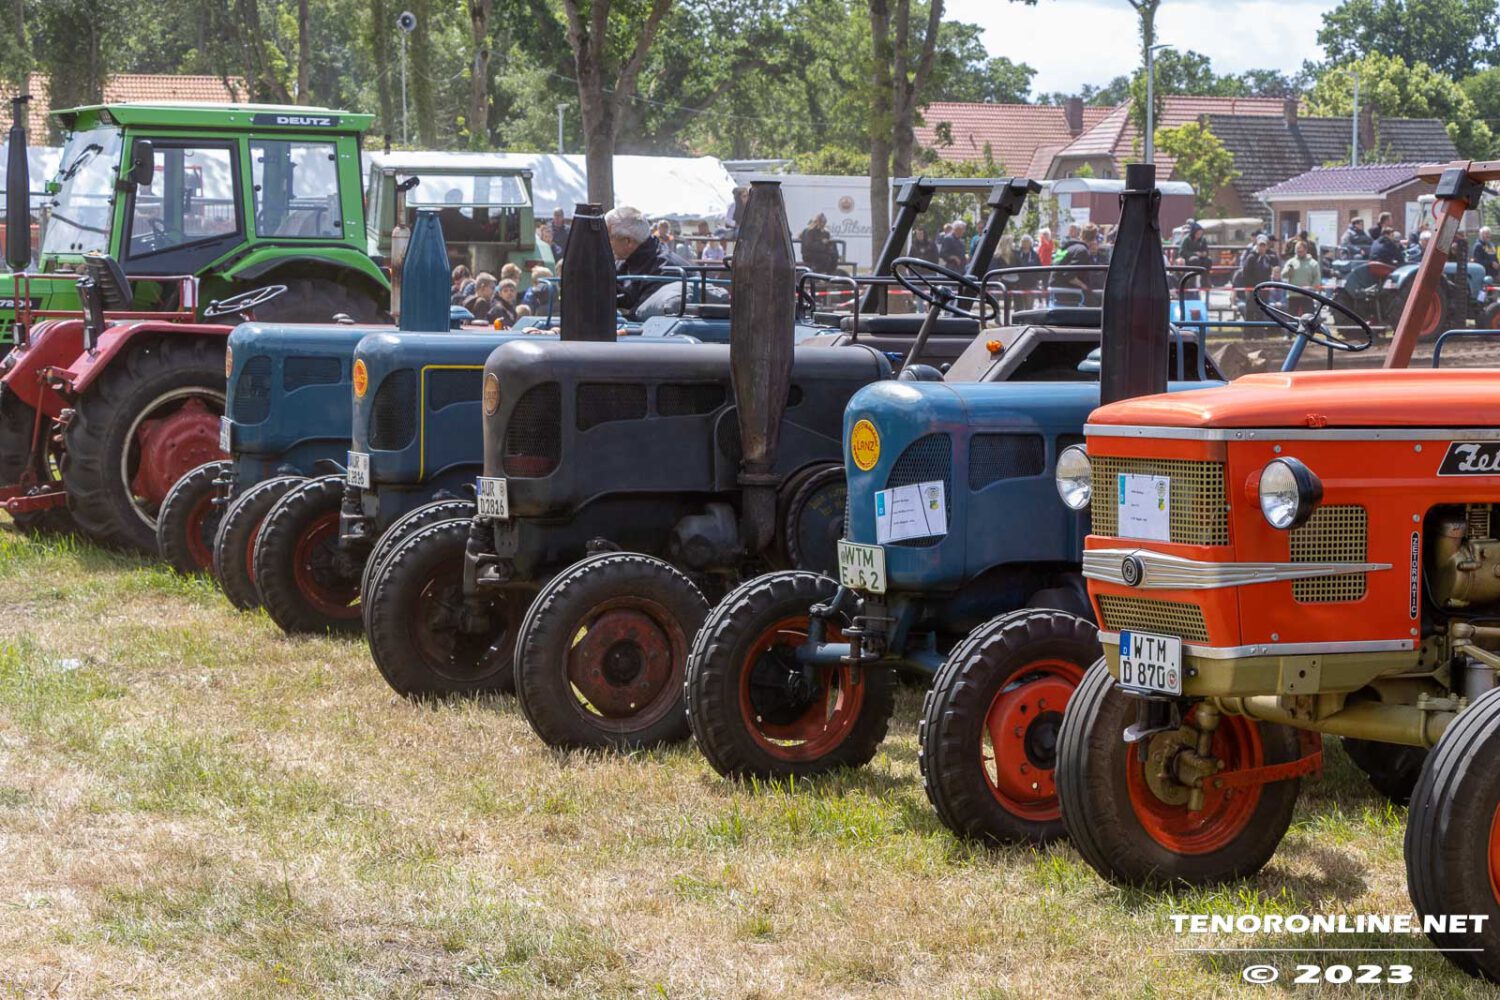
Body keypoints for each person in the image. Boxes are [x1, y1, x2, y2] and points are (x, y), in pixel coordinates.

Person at [606, 204, 690, 316]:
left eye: (609, 238)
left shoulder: (665, 270)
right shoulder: (625, 260)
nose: (606, 244)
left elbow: (639, 316)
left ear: (628, 241)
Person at [1049, 223, 1105, 305]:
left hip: (1055, 293)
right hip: (1068, 295)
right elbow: (1069, 276)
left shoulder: (1068, 248)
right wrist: (1085, 287)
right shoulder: (1082, 251)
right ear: (1094, 238)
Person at [1239, 236, 1280, 320]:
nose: (1262, 247)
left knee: (1261, 311)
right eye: (1260, 245)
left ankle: (1260, 331)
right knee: (1250, 311)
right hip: (1252, 289)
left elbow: (1276, 265)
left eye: (1263, 245)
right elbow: (1245, 274)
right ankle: (1248, 331)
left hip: (1264, 290)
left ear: (1266, 247)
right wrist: (1248, 288)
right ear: (1257, 246)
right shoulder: (1251, 258)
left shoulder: (1268, 258)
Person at [1280, 239, 1322, 316]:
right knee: (1291, 320)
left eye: (1300, 251)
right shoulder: (1291, 262)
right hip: (1293, 296)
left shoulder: (1313, 263)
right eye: (1297, 251)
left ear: (1306, 250)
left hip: (1307, 296)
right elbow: (1283, 275)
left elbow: (1317, 280)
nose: (1298, 253)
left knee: (1309, 319)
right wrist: (1289, 271)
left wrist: (1311, 288)